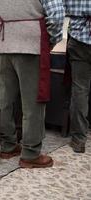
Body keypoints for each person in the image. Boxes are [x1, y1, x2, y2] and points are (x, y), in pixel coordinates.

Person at [0, 0, 64, 168]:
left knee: (5, 99)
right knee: (33, 102)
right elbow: (57, 17)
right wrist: (50, 41)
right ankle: (31, 154)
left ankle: (7, 146)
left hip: (5, 45)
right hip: (32, 45)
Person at [64, 1, 91, 153]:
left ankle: (79, 139)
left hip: (80, 40)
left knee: (80, 90)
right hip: (80, 41)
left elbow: (61, 7)